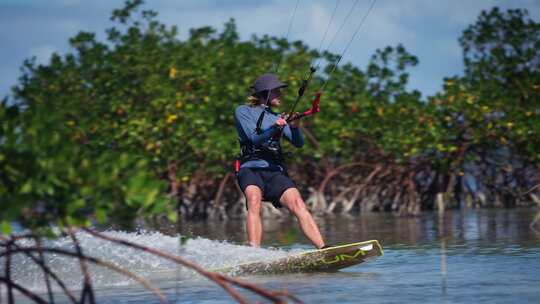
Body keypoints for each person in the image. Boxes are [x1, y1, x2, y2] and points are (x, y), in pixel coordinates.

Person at [234, 73, 326, 249]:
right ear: (265, 93)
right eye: (276, 92)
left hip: (274, 171)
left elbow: (298, 143)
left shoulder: (277, 116)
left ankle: (323, 248)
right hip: (250, 169)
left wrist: (294, 127)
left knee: (298, 203)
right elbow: (254, 139)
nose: (280, 95)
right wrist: (275, 126)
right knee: (253, 200)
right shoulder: (243, 111)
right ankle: (254, 252)